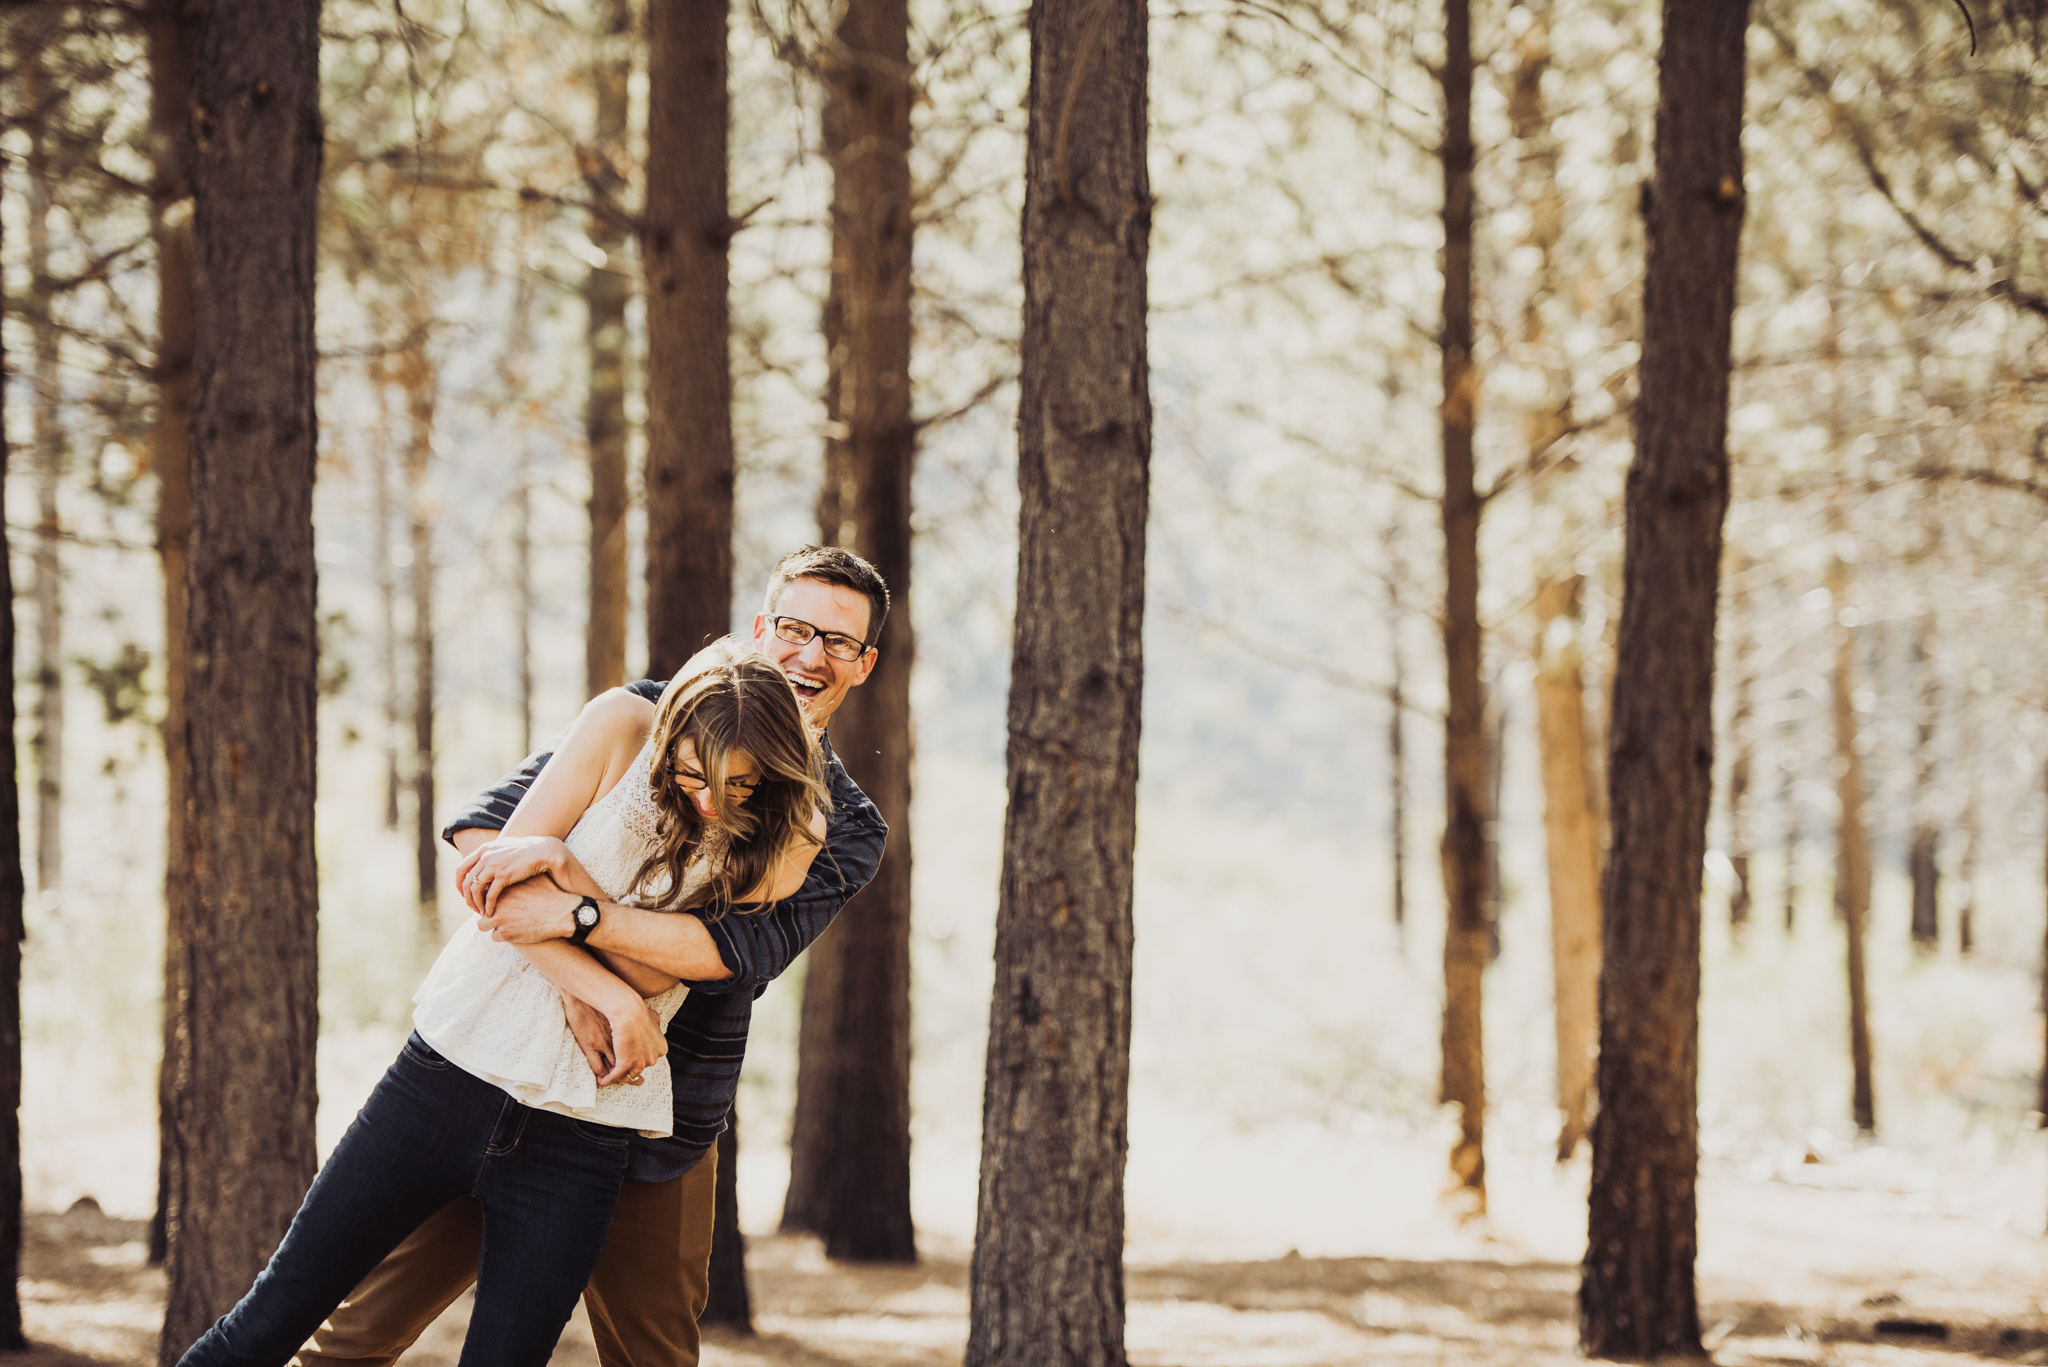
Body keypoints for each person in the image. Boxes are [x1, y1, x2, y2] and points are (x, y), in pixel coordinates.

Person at [292, 545, 893, 1367]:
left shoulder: (847, 827)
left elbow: (727, 951)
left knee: (651, 1360)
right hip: (505, 1081)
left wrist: (575, 905)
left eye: (838, 641)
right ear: (762, 628)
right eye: (796, 626)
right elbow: (486, 841)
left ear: (863, 664)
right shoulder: (653, 715)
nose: (810, 654)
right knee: (352, 1341)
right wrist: (583, 987)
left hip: (662, 1120)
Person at [177, 639, 832, 1367]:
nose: (710, 801)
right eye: (688, 775)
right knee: (271, 1319)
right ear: (668, 731)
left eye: (738, 786)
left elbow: (662, 977)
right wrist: (602, 993)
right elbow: (500, 893)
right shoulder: (619, 723)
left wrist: (567, 875)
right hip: (445, 1077)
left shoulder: (792, 833)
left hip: (584, 1128)